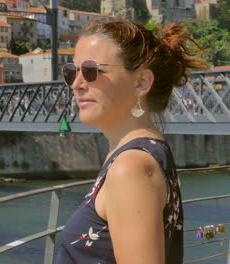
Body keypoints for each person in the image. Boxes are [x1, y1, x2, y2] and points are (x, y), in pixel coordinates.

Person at [56, 20, 206, 264]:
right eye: (71, 72)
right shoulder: (143, 154)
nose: (77, 84)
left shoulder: (131, 166)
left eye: (92, 71)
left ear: (141, 83)